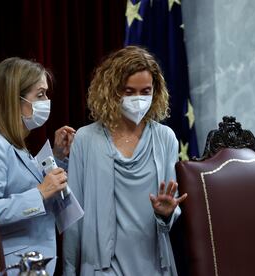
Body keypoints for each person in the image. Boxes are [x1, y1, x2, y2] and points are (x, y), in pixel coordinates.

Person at [62, 46, 188, 276]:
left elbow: (169, 208)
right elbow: (73, 217)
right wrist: (69, 270)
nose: (138, 99)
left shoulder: (165, 138)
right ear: (112, 91)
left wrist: (166, 213)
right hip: (101, 266)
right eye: (129, 92)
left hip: (153, 261)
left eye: (145, 91)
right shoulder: (85, 139)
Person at [0, 57, 75, 275]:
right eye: (40, 94)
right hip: (11, 267)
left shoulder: (13, 143)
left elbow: (26, 186)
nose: (46, 101)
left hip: (32, 265)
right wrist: (41, 192)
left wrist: (57, 156)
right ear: (14, 99)